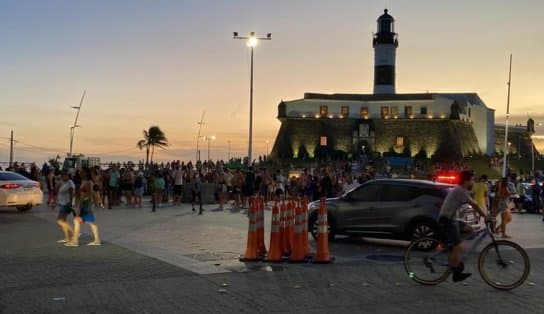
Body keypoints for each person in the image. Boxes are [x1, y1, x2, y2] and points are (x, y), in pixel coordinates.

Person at [438, 170, 489, 282]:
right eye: (472, 180)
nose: (473, 182)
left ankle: (453, 248)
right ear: (466, 181)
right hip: (447, 220)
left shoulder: (462, 190)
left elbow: (472, 204)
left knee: (470, 230)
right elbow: (474, 204)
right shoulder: (460, 190)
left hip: (453, 219)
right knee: (458, 246)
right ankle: (455, 273)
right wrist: (486, 216)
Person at [65, 167, 101, 246]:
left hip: (86, 204)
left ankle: (76, 241)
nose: (80, 173)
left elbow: (90, 195)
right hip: (84, 203)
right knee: (84, 222)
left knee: (80, 221)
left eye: (82, 172)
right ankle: (96, 240)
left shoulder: (88, 182)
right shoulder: (83, 181)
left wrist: (88, 206)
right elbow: (83, 194)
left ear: (86, 173)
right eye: (80, 172)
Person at [56, 170, 75, 243]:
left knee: (59, 221)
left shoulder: (70, 183)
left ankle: (73, 233)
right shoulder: (63, 182)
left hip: (66, 204)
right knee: (63, 221)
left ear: (68, 175)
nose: (62, 176)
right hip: (61, 203)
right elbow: (56, 190)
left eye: (64, 175)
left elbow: (72, 194)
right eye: (62, 175)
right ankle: (67, 237)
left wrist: (70, 204)